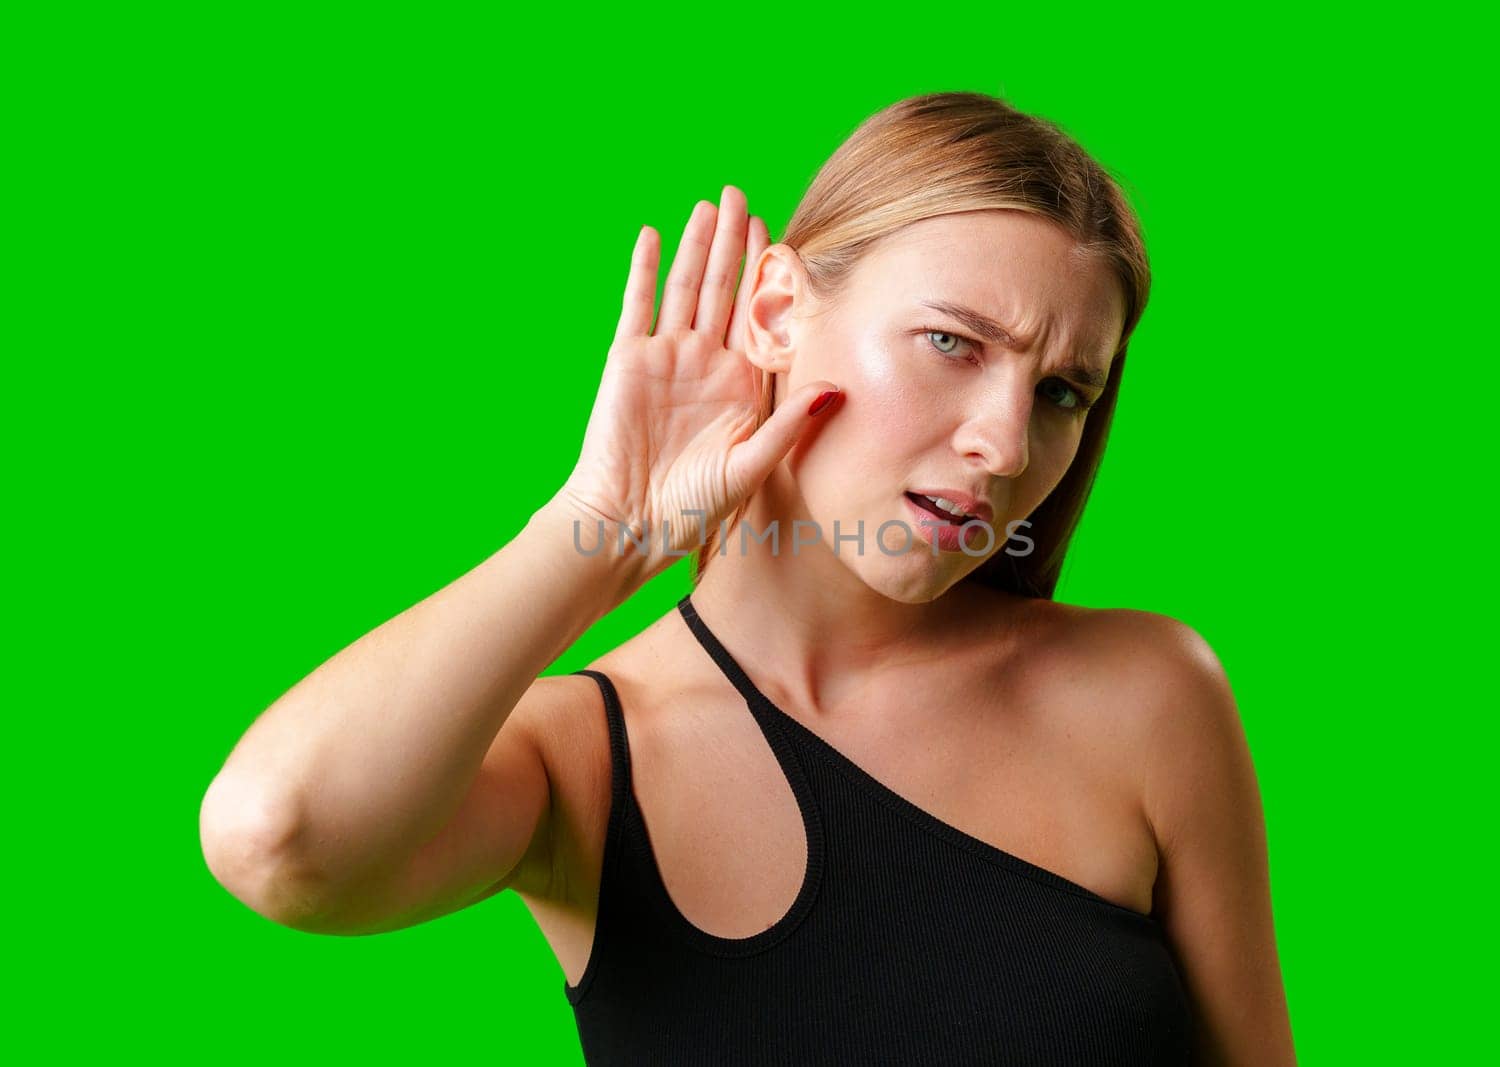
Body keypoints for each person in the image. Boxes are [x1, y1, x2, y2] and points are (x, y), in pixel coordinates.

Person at [200, 92, 1296, 1064]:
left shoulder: (1148, 694)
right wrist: (602, 527)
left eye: (1061, 391)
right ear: (776, 310)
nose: (1006, 445)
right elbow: (277, 835)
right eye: (952, 343)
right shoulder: (584, 760)